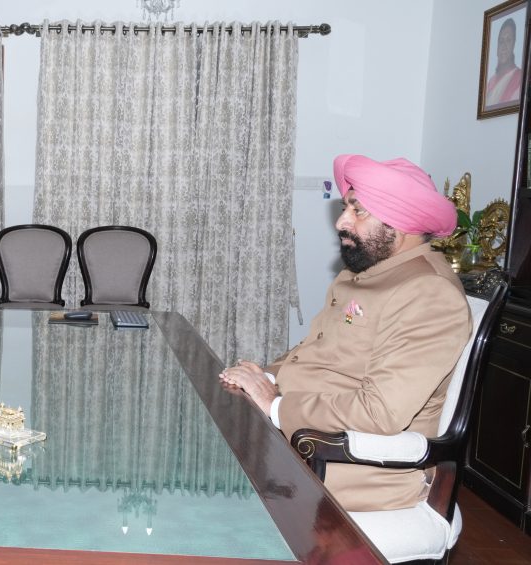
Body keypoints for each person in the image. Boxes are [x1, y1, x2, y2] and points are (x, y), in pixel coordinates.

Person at [219, 154, 471, 512]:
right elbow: (317, 349)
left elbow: (379, 412)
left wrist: (275, 405)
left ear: (403, 222)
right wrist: (265, 376)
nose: (341, 222)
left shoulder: (430, 293)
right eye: (345, 208)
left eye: (358, 211)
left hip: (345, 466)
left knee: (208, 486)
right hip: (302, 438)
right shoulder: (364, 272)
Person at [485, 17, 522, 107]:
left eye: (508, 40)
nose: (503, 46)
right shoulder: (491, 82)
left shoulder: (519, 77)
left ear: (514, 44)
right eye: (501, 41)